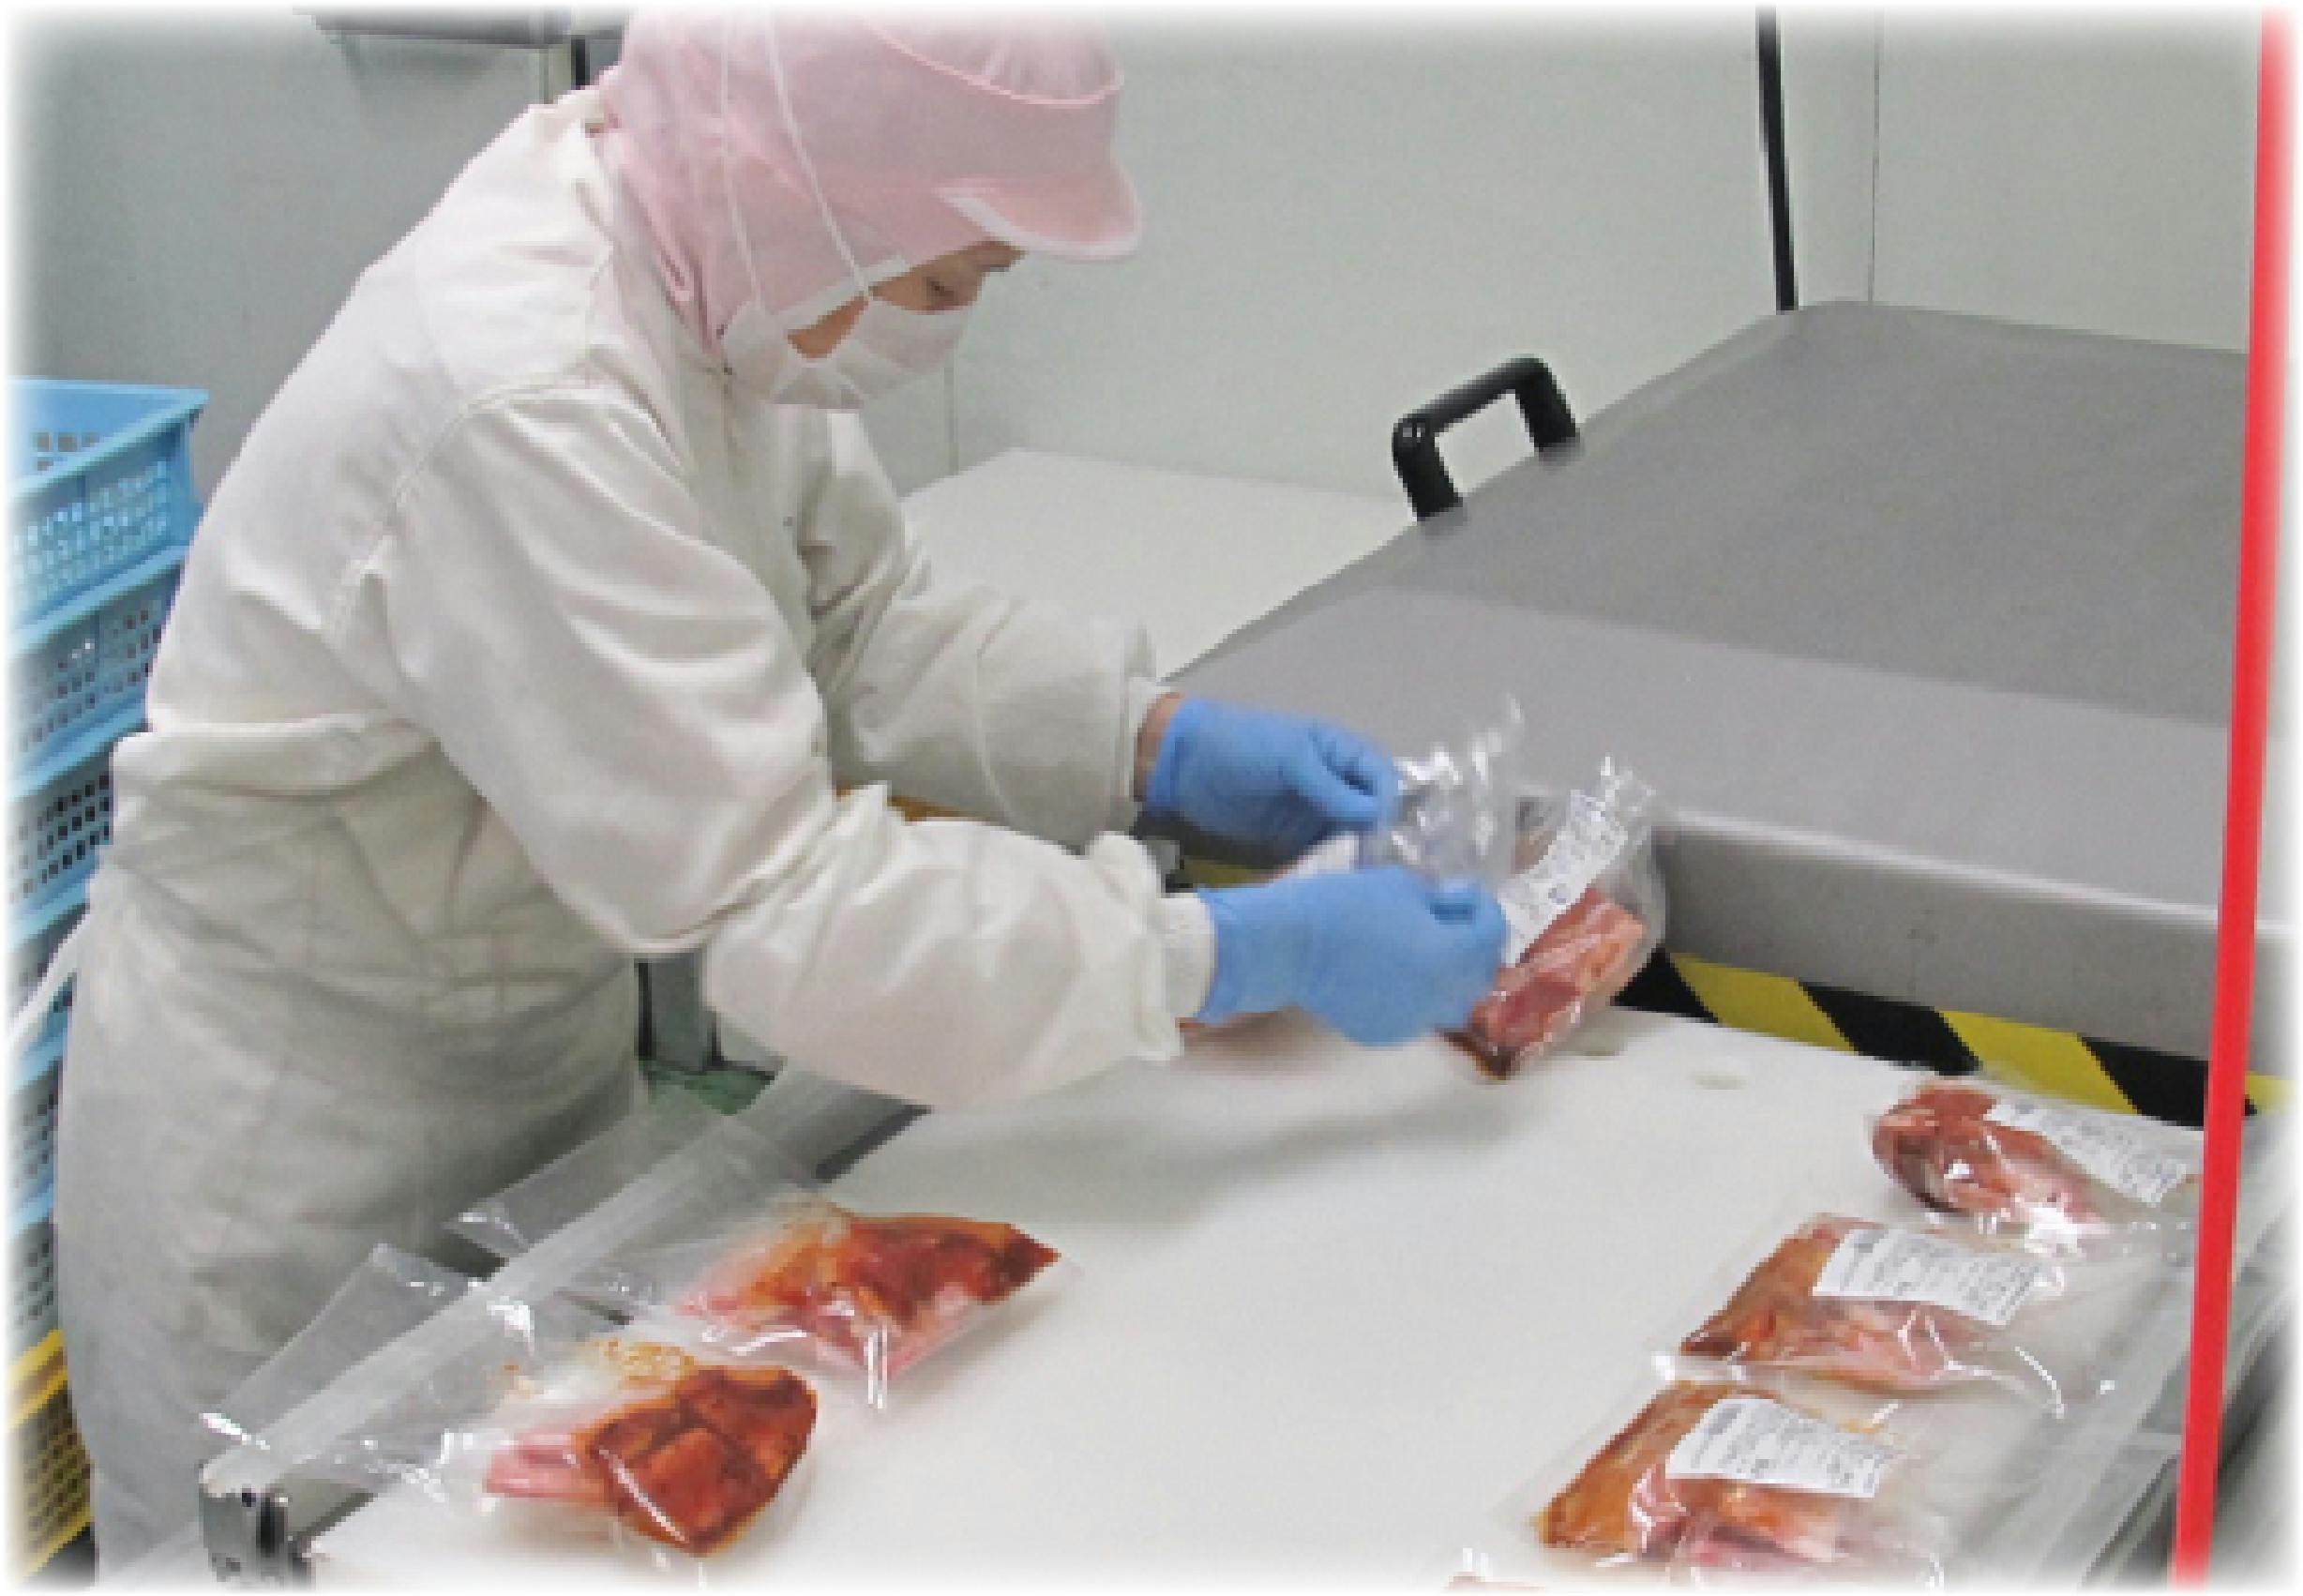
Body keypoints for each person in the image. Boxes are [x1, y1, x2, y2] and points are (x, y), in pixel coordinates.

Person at [53, 9, 1507, 1564]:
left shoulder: (725, 261)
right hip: (296, 1152)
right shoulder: (526, 386)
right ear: (817, 189)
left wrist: (1148, 740)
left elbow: (852, 624)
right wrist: (1214, 955)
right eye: (945, 282)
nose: (949, 324)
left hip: (536, 1069)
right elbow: (785, 907)